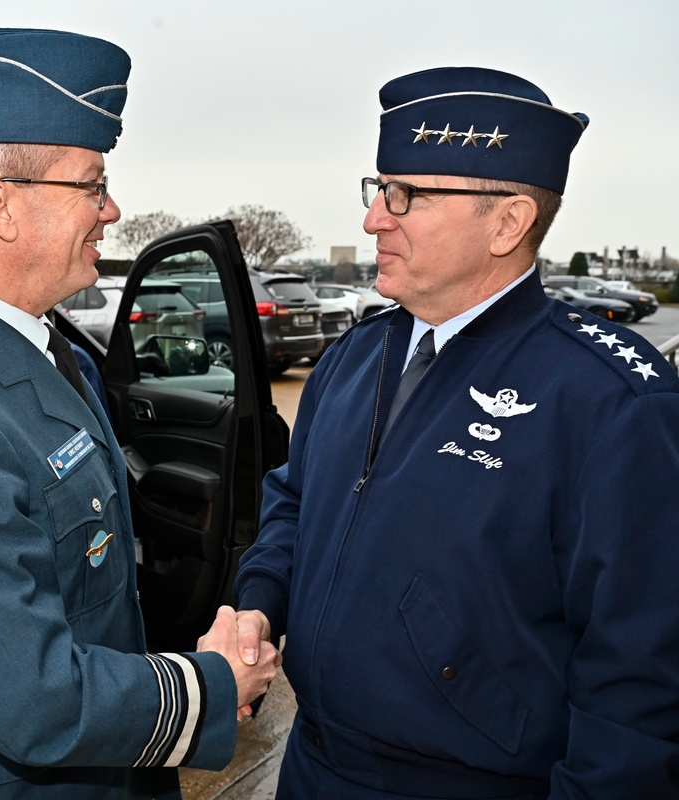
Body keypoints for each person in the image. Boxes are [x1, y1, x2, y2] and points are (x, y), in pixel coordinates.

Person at [0, 28, 280, 800]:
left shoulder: (30, 345)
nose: (111, 209)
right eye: (91, 184)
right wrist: (213, 683)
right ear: (2, 207)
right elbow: (35, 704)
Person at [233, 66, 679, 798]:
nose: (377, 218)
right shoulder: (354, 357)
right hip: (314, 768)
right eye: (376, 189)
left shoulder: (611, 402)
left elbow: (642, 679)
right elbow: (293, 502)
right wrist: (258, 604)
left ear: (508, 222)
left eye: (406, 195)